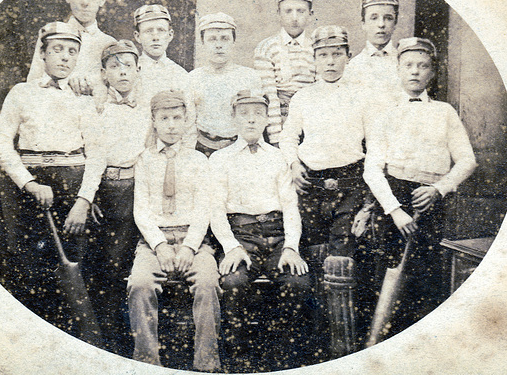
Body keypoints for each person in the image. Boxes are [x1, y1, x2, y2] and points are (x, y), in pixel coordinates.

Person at [0, 21, 100, 339]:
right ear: (42, 53)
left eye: (71, 51)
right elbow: (0, 145)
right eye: (57, 50)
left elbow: (97, 153)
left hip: (72, 190)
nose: (65, 57)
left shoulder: (83, 97)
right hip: (29, 191)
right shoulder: (21, 93)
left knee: (75, 272)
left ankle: (79, 343)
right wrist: (29, 183)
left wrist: (84, 201)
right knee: (31, 271)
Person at [363, 37, 477, 337]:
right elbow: (372, 169)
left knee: (425, 279)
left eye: (422, 66)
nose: (415, 72)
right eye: (408, 65)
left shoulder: (445, 112)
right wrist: (395, 211)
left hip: (430, 200)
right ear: (398, 70)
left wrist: (439, 188)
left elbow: (467, 161)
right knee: (385, 276)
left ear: (432, 73)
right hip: (393, 201)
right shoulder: (384, 113)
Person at [280, 25, 372, 358]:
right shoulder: (303, 97)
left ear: (347, 56)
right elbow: (288, 137)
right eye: (323, 55)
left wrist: (368, 197)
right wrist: (293, 165)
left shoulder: (362, 94)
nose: (330, 61)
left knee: (341, 260)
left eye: (336, 54)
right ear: (314, 59)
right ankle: (313, 342)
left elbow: (374, 145)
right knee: (312, 259)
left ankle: (343, 345)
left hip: (349, 184)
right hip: (310, 185)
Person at [209, 88, 310, 371]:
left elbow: (290, 206)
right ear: (234, 119)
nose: (251, 120)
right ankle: (238, 359)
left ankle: (280, 357)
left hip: (278, 233)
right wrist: (232, 247)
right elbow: (215, 210)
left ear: (267, 119)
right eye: (244, 114)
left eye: (257, 114)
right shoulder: (220, 159)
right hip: (241, 234)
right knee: (232, 282)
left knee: (297, 282)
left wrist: (291, 246)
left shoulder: (279, 157)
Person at [127, 90, 221, 372]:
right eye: (164, 118)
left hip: (194, 240)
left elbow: (204, 209)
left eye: (176, 118)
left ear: (186, 121)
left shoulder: (198, 161)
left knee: (207, 283)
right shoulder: (143, 160)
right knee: (140, 284)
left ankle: (206, 363)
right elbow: (140, 210)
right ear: (153, 121)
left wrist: (190, 246)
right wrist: (159, 245)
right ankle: (146, 361)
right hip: (154, 242)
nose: (170, 125)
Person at [77, 39, 151, 355]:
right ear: (104, 73)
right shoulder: (95, 108)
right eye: (114, 66)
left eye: (128, 66)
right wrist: (88, 196)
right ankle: (104, 341)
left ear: (138, 70)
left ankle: (129, 341)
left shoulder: (148, 108)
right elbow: (92, 154)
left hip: (134, 190)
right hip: (103, 191)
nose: (122, 72)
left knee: (125, 265)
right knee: (100, 267)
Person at [26, 0, 114, 99]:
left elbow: (114, 92)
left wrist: (96, 85)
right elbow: (33, 82)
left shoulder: (108, 43)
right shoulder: (52, 33)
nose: (85, 2)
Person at [189, 12, 262, 157]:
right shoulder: (193, 78)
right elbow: (188, 124)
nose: (218, 45)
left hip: (239, 149)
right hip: (202, 149)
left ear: (233, 42)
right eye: (212, 39)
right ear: (203, 42)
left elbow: (258, 121)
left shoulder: (249, 77)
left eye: (225, 39)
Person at [254, 0, 316, 145]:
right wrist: (277, 140)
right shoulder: (266, 48)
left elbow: (320, 95)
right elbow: (270, 96)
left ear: (310, 15)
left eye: (301, 11)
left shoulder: (316, 48)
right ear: (278, 14)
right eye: (288, 11)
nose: (294, 17)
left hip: (310, 126)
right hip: (276, 125)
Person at [132, 4, 197, 146]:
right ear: (138, 36)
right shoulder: (131, 72)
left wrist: (184, 155)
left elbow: (189, 122)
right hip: (136, 151)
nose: (155, 37)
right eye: (149, 31)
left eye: (161, 30)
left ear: (170, 35)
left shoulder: (180, 74)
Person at [345, 0, 401, 100]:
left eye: (388, 18)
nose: (381, 24)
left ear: (395, 24)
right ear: (363, 24)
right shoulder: (353, 66)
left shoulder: (403, 63)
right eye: (374, 18)